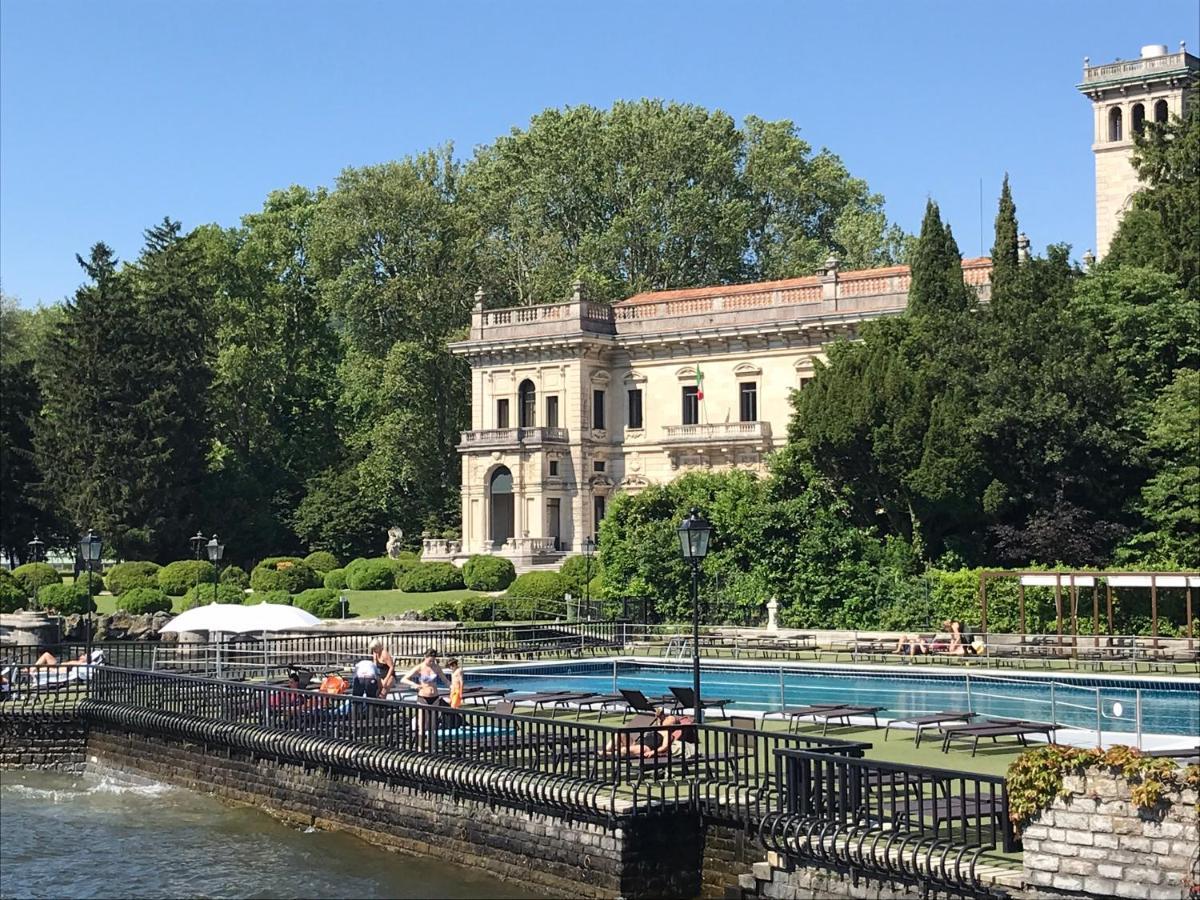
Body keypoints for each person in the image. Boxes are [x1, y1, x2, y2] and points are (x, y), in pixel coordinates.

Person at [400, 649, 450, 734]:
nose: (431, 663)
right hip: (423, 697)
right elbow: (404, 679)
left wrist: (453, 687)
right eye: (430, 661)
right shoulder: (419, 667)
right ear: (425, 657)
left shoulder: (436, 667)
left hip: (435, 697)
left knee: (433, 723)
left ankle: (432, 745)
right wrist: (414, 684)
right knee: (422, 723)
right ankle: (421, 745)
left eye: (433, 661)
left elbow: (445, 680)